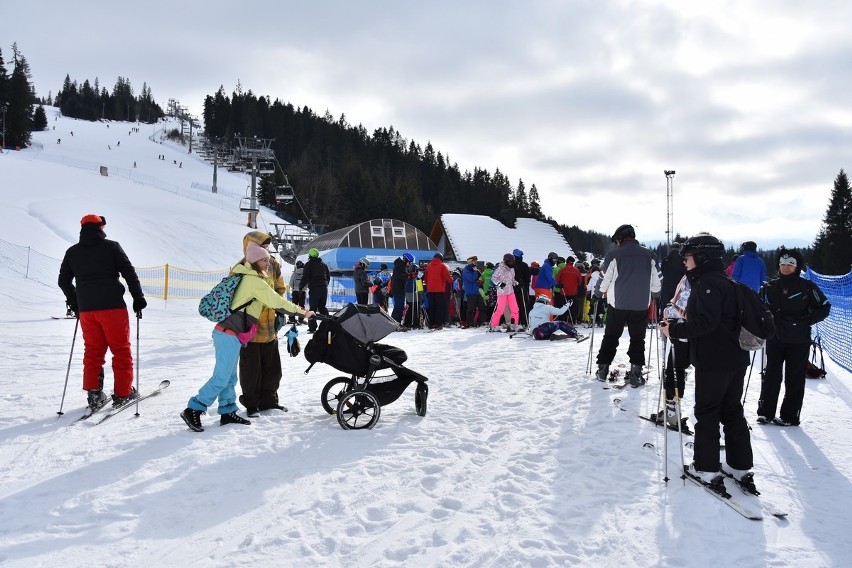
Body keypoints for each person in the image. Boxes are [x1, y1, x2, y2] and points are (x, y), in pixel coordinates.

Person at [181, 243, 313, 432]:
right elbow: (277, 301)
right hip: (227, 334)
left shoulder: (248, 277)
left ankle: (227, 411)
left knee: (230, 377)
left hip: (231, 334)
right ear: (254, 261)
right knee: (221, 377)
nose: (268, 263)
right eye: (264, 260)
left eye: (268, 259)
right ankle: (194, 408)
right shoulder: (253, 281)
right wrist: (303, 312)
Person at [660, 232, 755, 489]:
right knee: (732, 411)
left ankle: (706, 467)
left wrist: (674, 331)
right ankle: (739, 465)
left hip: (714, 360)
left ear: (702, 257)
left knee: (708, 412)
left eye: (688, 257)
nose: (685, 262)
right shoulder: (726, 281)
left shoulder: (707, 284)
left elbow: (706, 324)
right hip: (735, 359)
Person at [58, 214, 147, 410]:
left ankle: (94, 394)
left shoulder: (72, 252)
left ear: (82, 228)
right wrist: (138, 298)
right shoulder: (112, 247)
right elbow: (129, 273)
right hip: (113, 308)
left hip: (88, 311)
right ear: (101, 228)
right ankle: (123, 393)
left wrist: (75, 304)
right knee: (121, 350)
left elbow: (63, 281)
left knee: (93, 351)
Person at [756, 248, 831, 426]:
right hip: (775, 338)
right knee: (771, 375)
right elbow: (759, 308)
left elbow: (824, 307)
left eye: (790, 264)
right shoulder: (770, 287)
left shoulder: (807, 287)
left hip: (799, 340)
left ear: (796, 267)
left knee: (795, 378)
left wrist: (806, 321)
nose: (786, 267)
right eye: (782, 264)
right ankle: (765, 413)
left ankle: (790, 416)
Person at [593, 224, 661, 387]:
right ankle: (635, 374)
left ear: (620, 239)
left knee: (611, 337)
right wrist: (655, 295)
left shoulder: (613, 255)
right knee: (638, 339)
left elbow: (604, 279)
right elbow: (657, 280)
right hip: (640, 305)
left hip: (618, 304)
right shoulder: (649, 255)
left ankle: (602, 370)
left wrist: (597, 294)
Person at [237, 232, 288, 417]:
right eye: (261, 245)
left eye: (267, 246)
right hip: (249, 327)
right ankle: (251, 404)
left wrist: (280, 310)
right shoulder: (242, 267)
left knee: (273, 369)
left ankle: (269, 401)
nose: (265, 250)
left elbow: (280, 287)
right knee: (251, 370)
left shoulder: (273, 263)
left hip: (270, 327)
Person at [299, 248, 330, 334]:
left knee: (313, 309)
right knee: (322, 307)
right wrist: (325, 284)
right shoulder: (323, 264)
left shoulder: (308, 265)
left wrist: (301, 287)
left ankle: (312, 327)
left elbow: (305, 277)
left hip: (315, 288)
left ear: (309, 255)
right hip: (324, 288)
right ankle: (328, 325)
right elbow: (328, 276)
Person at [489, 253, 520, 331]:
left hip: (510, 291)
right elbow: (493, 278)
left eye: (513, 262)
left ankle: (514, 324)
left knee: (515, 308)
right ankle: (494, 325)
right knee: (500, 309)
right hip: (502, 292)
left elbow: (512, 279)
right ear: (506, 261)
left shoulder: (512, 269)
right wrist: (499, 283)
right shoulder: (500, 269)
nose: (512, 263)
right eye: (510, 262)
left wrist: (516, 283)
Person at [424, 252, 452, 329]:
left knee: (432, 307)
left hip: (430, 290)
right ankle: (438, 323)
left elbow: (425, 279)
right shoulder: (442, 266)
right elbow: (448, 278)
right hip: (440, 290)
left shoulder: (428, 266)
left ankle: (431, 323)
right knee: (439, 307)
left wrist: (429, 285)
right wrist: (451, 280)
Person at [555, 259, 583, 323]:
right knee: (573, 308)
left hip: (564, 292)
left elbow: (557, 280)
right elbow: (580, 282)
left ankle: (563, 321)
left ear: (566, 262)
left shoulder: (562, 270)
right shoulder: (576, 270)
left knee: (564, 307)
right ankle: (572, 321)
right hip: (573, 292)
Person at [462, 255, 486, 328]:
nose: (476, 262)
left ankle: (480, 322)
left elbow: (480, 278)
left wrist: (481, 281)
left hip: (476, 291)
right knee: (471, 309)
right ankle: (470, 323)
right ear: (470, 262)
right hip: (470, 292)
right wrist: (476, 273)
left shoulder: (475, 270)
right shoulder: (466, 270)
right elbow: (472, 279)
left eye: (476, 261)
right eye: (474, 261)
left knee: (482, 307)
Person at [390, 253, 413, 322]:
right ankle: (394, 323)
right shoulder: (399, 266)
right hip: (398, 290)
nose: (409, 264)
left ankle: (397, 323)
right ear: (406, 260)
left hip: (400, 289)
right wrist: (408, 275)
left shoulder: (400, 266)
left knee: (400, 307)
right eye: (410, 262)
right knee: (398, 307)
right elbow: (400, 277)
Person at [512, 249, 531, 327]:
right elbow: (528, 278)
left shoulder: (511, 265)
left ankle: (515, 321)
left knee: (514, 305)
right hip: (523, 288)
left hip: (513, 288)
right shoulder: (524, 265)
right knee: (523, 305)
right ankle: (524, 322)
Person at [288, 260, 306, 325]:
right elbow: (307, 283)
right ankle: (300, 320)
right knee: (301, 306)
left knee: (293, 305)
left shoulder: (294, 274)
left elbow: (290, 283)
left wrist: (294, 288)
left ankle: (291, 319)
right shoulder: (305, 274)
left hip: (295, 291)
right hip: (302, 292)